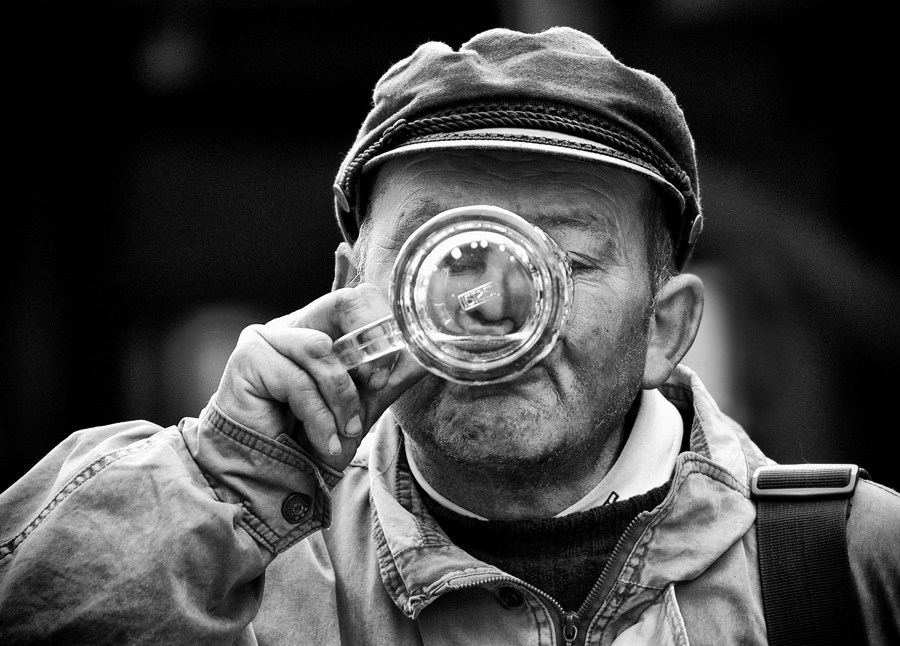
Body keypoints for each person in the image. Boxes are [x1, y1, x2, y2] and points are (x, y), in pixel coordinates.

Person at [1, 26, 898, 646]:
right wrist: (224, 480)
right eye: (445, 249)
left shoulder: (850, 562)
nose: (491, 306)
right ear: (351, 290)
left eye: (566, 260)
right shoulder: (236, 563)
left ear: (664, 329)